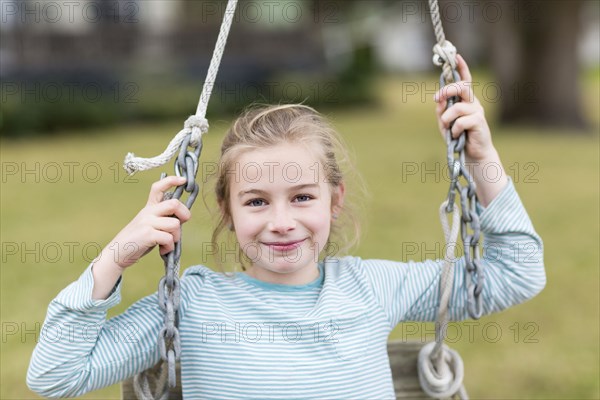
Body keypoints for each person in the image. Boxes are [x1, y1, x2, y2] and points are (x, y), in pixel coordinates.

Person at [27, 56, 545, 399]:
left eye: (302, 197)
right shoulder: (192, 304)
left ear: (334, 200)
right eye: (256, 201)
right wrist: (117, 255)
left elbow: (517, 275)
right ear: (227, 211)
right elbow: (55, 375)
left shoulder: (373, 288)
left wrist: (482, 160)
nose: (281, 222)